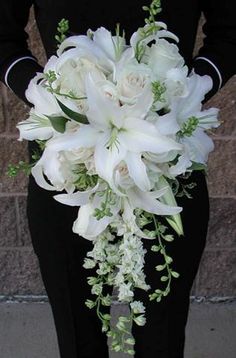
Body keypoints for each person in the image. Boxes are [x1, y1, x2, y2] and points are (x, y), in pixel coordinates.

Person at [0, 1, 235, 357]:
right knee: (77, 330)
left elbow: (230, 30)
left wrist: (185, 89)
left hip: (167, 160)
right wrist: (46, 93)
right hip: (68, 161)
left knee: (163, 332)